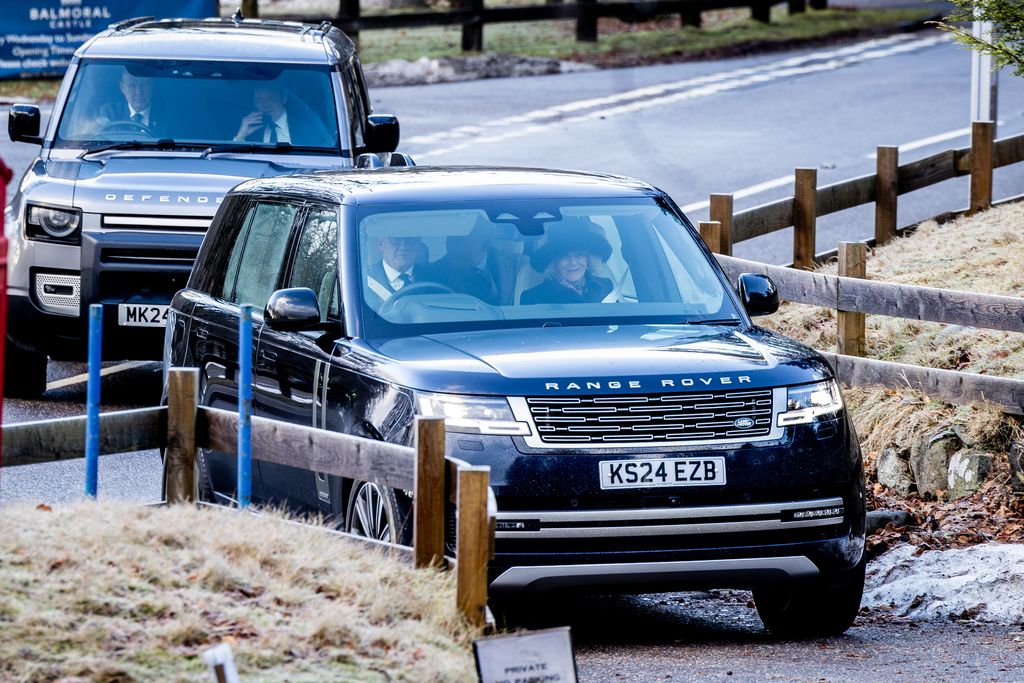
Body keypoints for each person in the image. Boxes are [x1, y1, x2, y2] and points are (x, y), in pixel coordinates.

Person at [520, 220, 614, 305]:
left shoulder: (606, 286)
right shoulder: (532, 297)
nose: (573, 262)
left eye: (579, 255)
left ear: (588, 259)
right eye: (565, 256)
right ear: (554, 261)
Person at [425, 219, 500, 304]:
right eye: (482, 238)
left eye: (487, 240)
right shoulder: (428, 275)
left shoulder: (483, 279)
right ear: (455, 241)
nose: (487, 246)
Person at [235, 82, 333, 147]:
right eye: (259, 99)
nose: (264, 104)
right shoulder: (251, 130)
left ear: (283, 98)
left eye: (270, 98)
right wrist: (240, 137)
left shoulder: (306, 127)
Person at [365, 235, 428, 308]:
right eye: (395, 240)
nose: (403, 247)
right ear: (380, 244)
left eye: (410, 240)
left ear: (418, 245)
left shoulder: (433, 277)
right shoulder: (363, 281)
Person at [97, 70, 163, 133]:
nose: (138, 92)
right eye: (132, 86)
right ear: (122, 88)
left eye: (143, 85)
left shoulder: (165, 115)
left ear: (151, 86)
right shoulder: (110, 112)